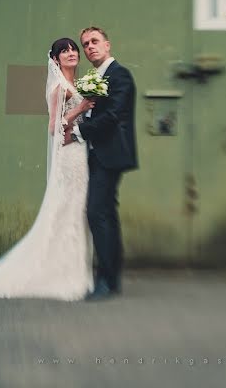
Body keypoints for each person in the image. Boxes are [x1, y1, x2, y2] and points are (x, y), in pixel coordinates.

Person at [0, 38, 95, 300]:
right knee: (66, 209)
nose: (71, 53)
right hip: (68, 155)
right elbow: (52, 127)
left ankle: (74, 272)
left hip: (80, 151)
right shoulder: (59, 87)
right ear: (55, 59)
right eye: (64, 51)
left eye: (73, 49)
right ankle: (61, 275)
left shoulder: (78, 84)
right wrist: (80, 107)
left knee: (77, 209)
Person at [63, 26, 138, 300]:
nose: (89, 47)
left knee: (98, 212)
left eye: (94, 41)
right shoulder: (94, 77)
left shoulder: (119, 75)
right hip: (96, 154)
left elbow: (115, 115)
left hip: (111, 154)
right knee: (105, 213)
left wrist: (80, 132)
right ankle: (111, 278)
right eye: (85, 44)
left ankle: (106, 280)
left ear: (107, 44)